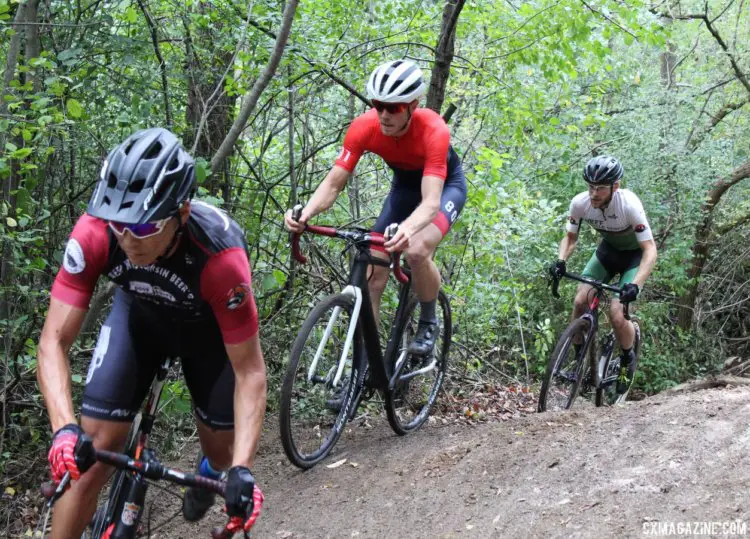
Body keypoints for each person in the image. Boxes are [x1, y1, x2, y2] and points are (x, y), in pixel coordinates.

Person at [37, 128, 266, 538]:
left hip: (206, 334)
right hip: (140, 318)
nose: (127, 239)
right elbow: (53, 341)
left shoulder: (221, 260)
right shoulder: (95, 233)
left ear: (181, 213)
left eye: (143, 229)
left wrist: (242, 470)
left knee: (223, 451)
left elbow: (249, 372)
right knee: (88, 457)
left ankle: (210, 464)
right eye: (119, 225)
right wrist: (64, 430)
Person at [284, 59, 467, 364]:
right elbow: (333, 184)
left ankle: (428, 322)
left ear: (413, 105)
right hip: (404, 188)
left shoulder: (434, 129)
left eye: (393, 107)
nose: (383, 113)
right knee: (373, 264)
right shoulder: (364, 127)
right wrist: (306, 214)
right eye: (378, 104)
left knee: (417, 251)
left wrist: (408, 229)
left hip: (445, 187)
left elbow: (431, 202)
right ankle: (361, 366)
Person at [549, 155, 657, 393]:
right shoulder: (580, 204)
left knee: (617, 315)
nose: (593, 193)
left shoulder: (629, 205)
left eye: (599, 188)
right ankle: (579, 361)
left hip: (633, 258)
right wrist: (560, 261)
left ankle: (627, 359)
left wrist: (636, 285)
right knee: (580, 302)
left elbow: (650, 250)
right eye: (590, 187)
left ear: (615, 187)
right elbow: (570, 237)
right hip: (607, 254)